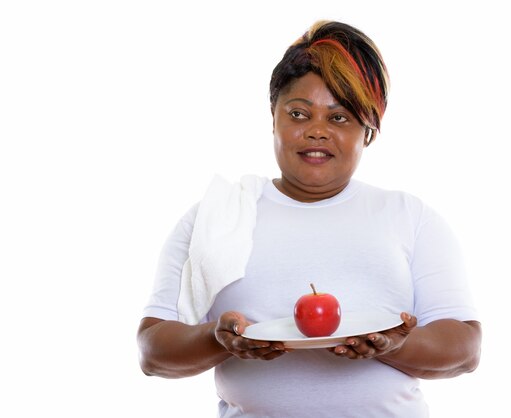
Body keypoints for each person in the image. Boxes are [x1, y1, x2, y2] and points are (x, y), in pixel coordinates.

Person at [137, 19, 481, 417]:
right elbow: (152, 351)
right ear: (273, 115)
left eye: (339, 118)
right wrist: (217, 339)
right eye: (299, 114)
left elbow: (465, 350)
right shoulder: (218, 216)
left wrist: (396, 344)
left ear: (367, 131)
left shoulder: (409, 216)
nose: (316, 131)